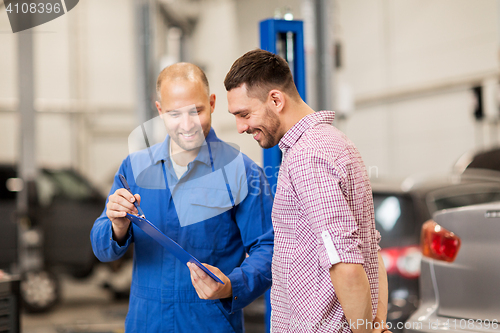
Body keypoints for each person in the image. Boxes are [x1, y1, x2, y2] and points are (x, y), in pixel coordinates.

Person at [91, 63, 274, 333]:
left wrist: (233, 285)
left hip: (210, 322)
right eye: (175, 114)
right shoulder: (135, 168)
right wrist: (117, 227)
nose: (187, 125)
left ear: (212, 103)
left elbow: (269, 248)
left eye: (196, 111)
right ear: (160, 111)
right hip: (147, 322)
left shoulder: (242, 172)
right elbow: (101, 246)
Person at [225, 49, 391, 333]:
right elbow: (371, 249)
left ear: (276, 100)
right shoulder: (337, 143)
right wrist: (375, 325)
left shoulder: (308, 156)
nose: (241, 127)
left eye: (245, 114)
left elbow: (346, 261)